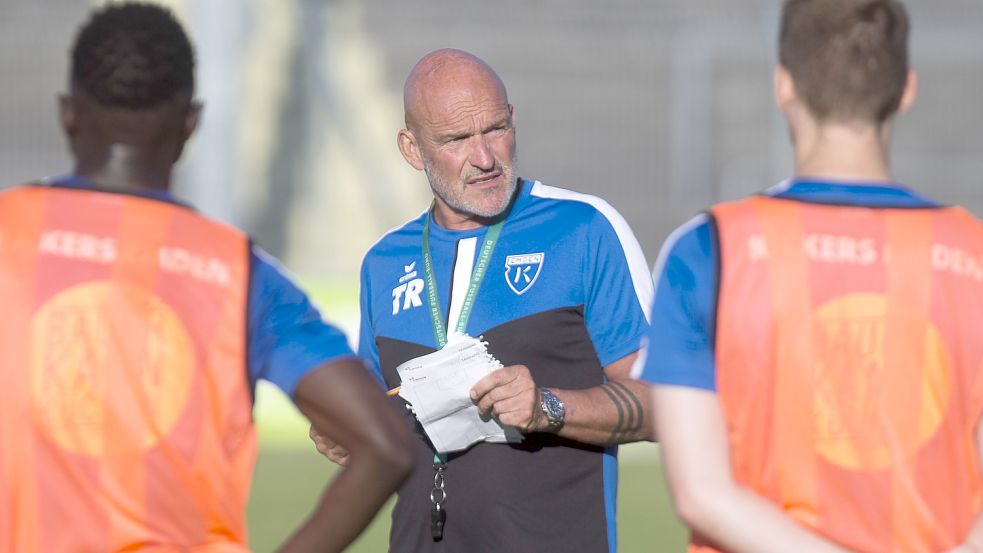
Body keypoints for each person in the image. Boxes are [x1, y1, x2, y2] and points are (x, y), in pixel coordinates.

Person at [0, 3, 413, 552]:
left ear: (68, 113)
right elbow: (386, 446)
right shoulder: (241, 275)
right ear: (192, 122)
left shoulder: (9, 233)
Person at [637, 0, 983, 551]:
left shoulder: (706, 252)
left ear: (784, 86)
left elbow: (702, 491)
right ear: (906, 90)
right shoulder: (973, 255)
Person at [311, 48, 654, 552]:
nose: (486, 158)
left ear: (514, 118)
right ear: (411, 149)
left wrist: (549, 408)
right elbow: (378, 420)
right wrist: (349, 434)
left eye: (495, 128)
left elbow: (668, 406)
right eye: (456, 140)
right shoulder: (383, 262)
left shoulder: (584, 229)